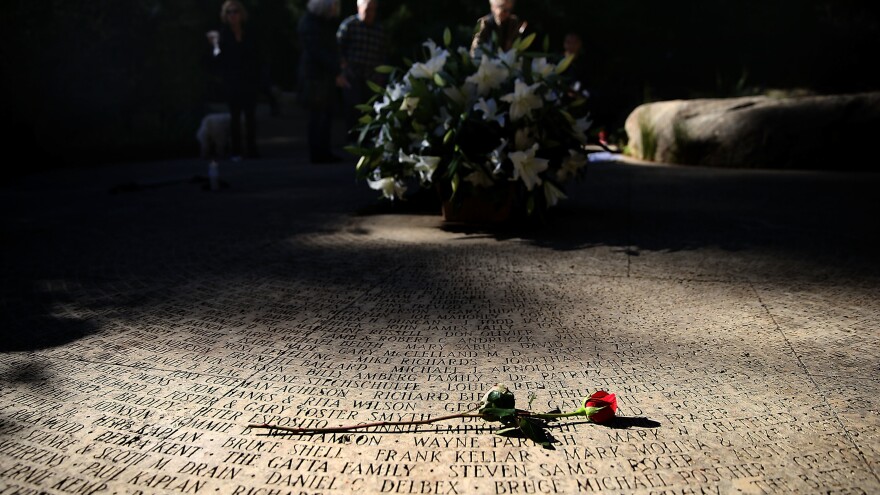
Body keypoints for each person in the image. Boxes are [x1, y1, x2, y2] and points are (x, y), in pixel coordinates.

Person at [206, 0, 262, 160]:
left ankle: (252, 148)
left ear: (241, 13)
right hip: (232, 81)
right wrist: (214, 46)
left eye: (235, 11)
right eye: (229, 12)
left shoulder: (249, 32)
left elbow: (256, 56)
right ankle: (236, 150)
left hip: (249, 80)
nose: (232, 15)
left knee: (250, 116)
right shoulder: (223, 35)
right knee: (235, 116)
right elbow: (217, 58)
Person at [298, 0, 348, 163]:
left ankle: (324, 151)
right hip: (315, 75)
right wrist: (335, 68)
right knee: (317, 115)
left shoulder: (322, 23)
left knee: (325, 114)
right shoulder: (311, 24)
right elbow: (317, 51)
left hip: (324, 74)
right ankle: (317, 152)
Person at [337, 0, 388, 140]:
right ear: (359, 8)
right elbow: (338, 49)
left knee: (370, 108)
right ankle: (353, 138)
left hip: (372, 76)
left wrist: (380, 74)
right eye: (367, 9)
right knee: (353, 108)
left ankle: (368, 139)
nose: (369, 13)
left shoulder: (378, 29)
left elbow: (383, 53)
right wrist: (342, 69)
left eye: (372, 10)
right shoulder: (349, 25)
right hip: (352, 75)